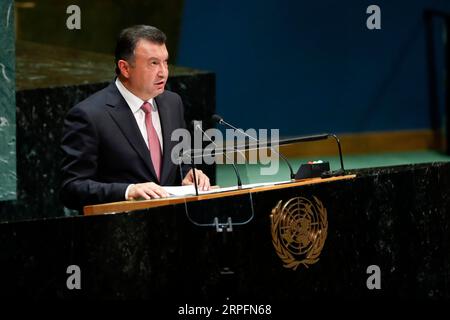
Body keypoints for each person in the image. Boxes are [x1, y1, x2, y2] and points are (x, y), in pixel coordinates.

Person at [60, 25, 210, 210]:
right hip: (119, 230)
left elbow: (178, 164)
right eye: (153, 63)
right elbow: (72, 188)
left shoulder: (173, 103)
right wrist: (128, 191)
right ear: (125, 68)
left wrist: (188, 174)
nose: (163, 72)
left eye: (165, 62)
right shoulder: (90, 115)